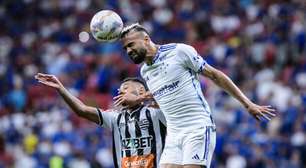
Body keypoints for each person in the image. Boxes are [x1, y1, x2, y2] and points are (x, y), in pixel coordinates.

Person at [119, 23, 276, 168]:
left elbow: (215, 75)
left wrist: (248, 104)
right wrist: (141, 100)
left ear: (146, 39)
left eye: (131, 44)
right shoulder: (145, 71)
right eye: (125, 48)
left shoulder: (178, 51)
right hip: (174, 134)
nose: (128, 51)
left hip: (197, 127)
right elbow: (166, 95)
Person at [35, 73, 166, 168]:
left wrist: (140, 98)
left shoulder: (156, 113)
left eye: (125, 88)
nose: (120, 91)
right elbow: (82, 110)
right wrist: (60, 88)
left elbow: (174, 94)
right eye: (120, 89)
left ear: (141, 90)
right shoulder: (115, 117)